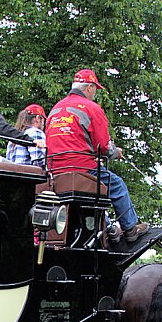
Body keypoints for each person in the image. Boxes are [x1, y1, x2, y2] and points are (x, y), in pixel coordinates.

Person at [45, 69, 148, 244]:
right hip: (82, 169)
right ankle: (130, 228)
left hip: (55, 173)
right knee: (116, 186)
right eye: (95, 89)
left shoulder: (55, 110)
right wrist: (116, 152)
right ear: (90, 87)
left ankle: (109, 230)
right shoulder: (91, 108)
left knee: (94, 195)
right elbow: (103, 147)